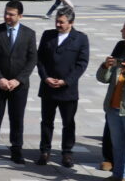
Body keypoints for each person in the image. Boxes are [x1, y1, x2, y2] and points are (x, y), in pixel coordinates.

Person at [0, 1, 37, 164]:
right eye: (6, 13)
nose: (7, 17)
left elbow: (32, 59)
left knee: (17, 118)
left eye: (11, 14)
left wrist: (18, 80)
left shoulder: (29, 34)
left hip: (18, 86)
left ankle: (16, 150)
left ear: (20, 16)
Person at [36, 9, 90, 168]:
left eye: (62, 22)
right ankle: (44, 151)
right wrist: (45, 77)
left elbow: (82, 64)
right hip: (48, 87)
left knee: (68, 123)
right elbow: (40, 60)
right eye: (57, 21)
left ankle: (67, 152)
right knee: (46, 121)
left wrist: (66, 81)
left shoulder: (80, 38)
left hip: (67, 89)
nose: (58, 24)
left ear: (71, 23)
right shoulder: (48, 35)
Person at [98, 45, 125, 181]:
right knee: (118, 146)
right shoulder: (120, 65)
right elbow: (103, 78)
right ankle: (118, 174)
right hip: (114, 110)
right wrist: (105, 66)